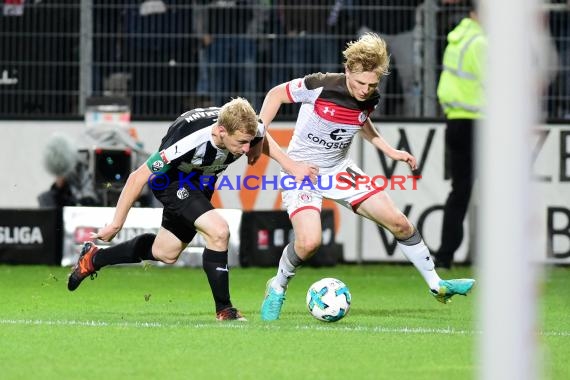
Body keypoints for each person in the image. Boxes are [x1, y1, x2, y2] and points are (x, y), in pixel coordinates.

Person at [257, 33, 475, 321]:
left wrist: (388, 149)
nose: (365, 90)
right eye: (360, 83)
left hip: (339, 170)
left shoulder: (371, 95)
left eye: (372, 84)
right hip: (302, 170)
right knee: (308, 243)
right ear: (347, 70)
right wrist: (259, 130)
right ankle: (278, 285)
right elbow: (275, 94)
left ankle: (437, 285)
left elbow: (360, 120)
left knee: (399, 222)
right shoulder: (320, 85)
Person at [67, 97, 317, 321]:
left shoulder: (249, 127)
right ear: (221, 131)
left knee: (166, 252)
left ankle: (93, 258)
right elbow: (137, 177)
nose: (244, 149)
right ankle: (225, 309)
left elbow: (262, 135)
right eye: (241, 142)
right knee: (219, 231)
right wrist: (116, 224)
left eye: (248, 142)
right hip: (171, 182)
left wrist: (287, 164)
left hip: (201, 182)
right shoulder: (189, 139)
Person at [435, 2, 486, 269]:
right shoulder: (481, 42)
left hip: (455, 120)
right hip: (481, 123)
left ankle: (444, 255)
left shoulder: (457, 38)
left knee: (460, 191)